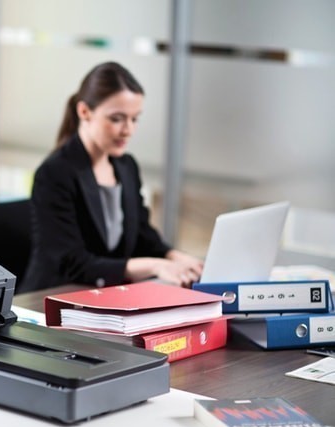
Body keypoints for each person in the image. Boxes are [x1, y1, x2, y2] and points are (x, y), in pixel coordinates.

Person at [20, 62, 203, 292]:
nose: (128, 130)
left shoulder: (126, 166)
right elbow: (72, 262)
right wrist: (156, 266)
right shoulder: (54, 173)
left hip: (105, 295)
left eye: (135, 119)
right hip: (53, 296)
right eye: (117, 119)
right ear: (84, 112)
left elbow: (142, 236)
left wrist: (178, 258)